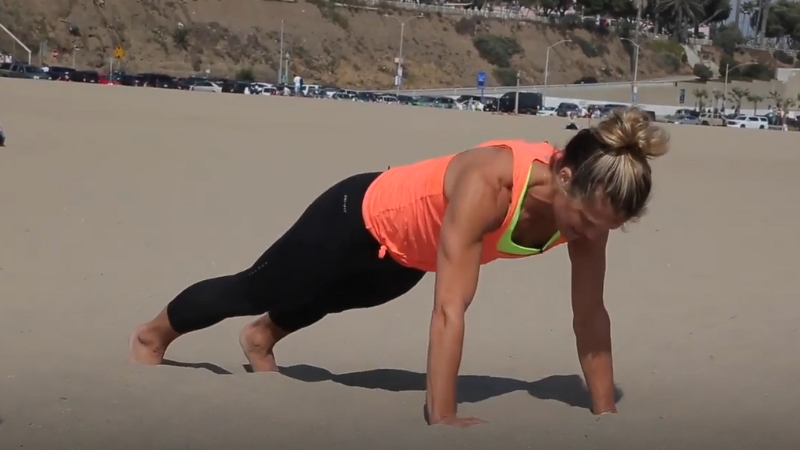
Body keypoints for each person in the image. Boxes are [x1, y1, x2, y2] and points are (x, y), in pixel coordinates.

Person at [130, 108, 669, 426]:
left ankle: (260, 340)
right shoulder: (493, 182)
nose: (592, 235)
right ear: (566, 176)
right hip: (357, 216)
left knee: (330, 298)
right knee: (259, 286)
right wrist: (444, 414)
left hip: (408, 258)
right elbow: (451, 309)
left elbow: (590, 318)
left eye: (607, 227)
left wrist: (605, 416)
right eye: (587, 220)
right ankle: (153, 336)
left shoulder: (589, 215)